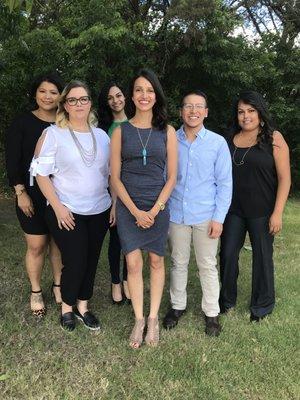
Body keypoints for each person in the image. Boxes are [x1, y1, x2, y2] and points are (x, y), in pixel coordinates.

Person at [30, 80, 111, 331]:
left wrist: (115, 204)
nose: (79, 104)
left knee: (91, 258)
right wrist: (57, 207)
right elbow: (40, 174)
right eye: (72, 100)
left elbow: (110, 175)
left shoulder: (102, 135)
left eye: (83, 99)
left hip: (99, 209)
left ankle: (83, 306)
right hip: (66, 210)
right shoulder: (53, 134)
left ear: (90, 103)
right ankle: (67, 307)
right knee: (75, 260)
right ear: (64, 104)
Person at [110, 68, 177, 347]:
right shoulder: (120, 131)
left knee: (156, 261)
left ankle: (153, 319)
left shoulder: (168, 131)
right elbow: (114, 176)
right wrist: (136, 211)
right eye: (139, 89)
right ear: (132, 95)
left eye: (149, 90)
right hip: (129, 206)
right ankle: (139, 319)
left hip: (158, 206)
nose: (144, 95)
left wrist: (155, 208)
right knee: (133, 263)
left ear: (156, 95)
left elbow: (172, 176)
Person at [163, 90, 232, 337]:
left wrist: (219, 218)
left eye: (198, 106)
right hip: (176, 213)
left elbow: (225, 183)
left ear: (206, 112)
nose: (193, 111)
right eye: (188, 106)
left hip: (206, 215)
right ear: (181, 111)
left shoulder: (217, 143)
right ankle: (177, 306)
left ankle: (211, 312)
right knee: (178, 262)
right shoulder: (170, 139)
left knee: (207, 265)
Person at [219, 90, 291, 321]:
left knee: (262, 257)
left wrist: (277, 213)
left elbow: (285, 178)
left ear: (260, 113)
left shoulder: (274, 138)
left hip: (262, 211)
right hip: (233, 211)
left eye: (251, 111)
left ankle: (262, 305)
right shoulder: (228, 139)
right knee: (228, 255)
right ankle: (226, 300)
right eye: (241, 111)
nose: (246, 116)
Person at [5, 73, 64, 317]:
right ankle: (36, 290)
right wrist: (20, 192)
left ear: (60, 95)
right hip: (30, 194)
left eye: (53, 92)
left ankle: (59, 286)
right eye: (43, 91)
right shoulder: (21, 124)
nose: (48, 96)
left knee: (59, 245)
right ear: (35, 94)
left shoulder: (65, 124)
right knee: (37, 245)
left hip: (61, 195)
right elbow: (13, 161)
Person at [98, 81, 129, 304]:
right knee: (116, 239)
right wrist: (115, 201)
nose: (116, 100)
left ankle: (129, 280)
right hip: (112, 191)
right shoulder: (102, 129)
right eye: (110, 98)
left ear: (125, 97)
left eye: (118, 95)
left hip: (135, 190)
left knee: (131, 240)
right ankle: (116, 282)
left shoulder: (136, 123)